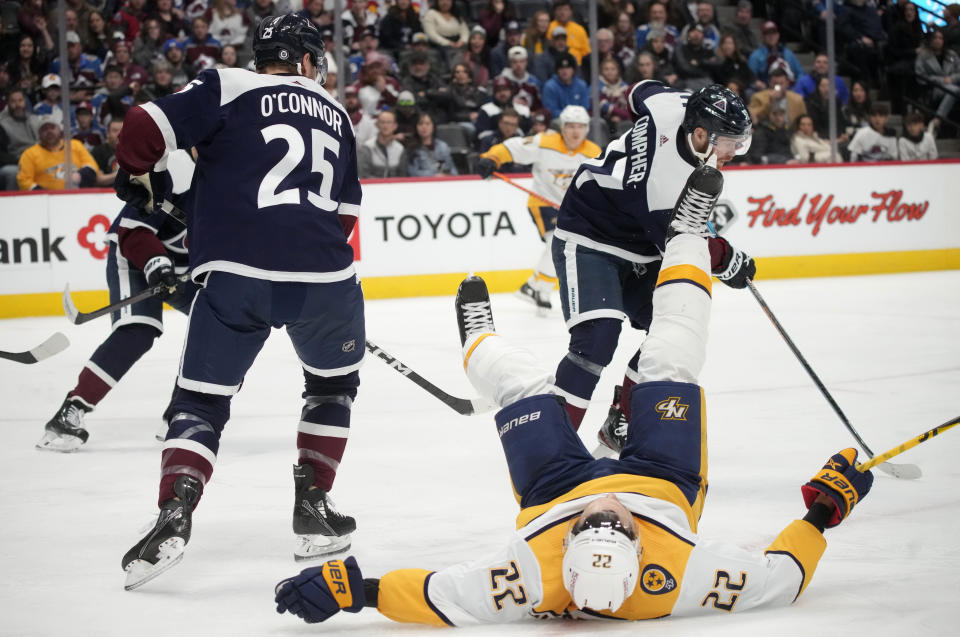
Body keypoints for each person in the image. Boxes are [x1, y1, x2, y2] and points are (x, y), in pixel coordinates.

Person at [272, 198, 874, 627]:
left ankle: (477, 341)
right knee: (670, 357)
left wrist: (358, 591)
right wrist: (823, 512)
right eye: (616, 526)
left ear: (573, 545)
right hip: (662, 484)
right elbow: (783, 578)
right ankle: (690, 234)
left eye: (593, 525)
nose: (604, 510)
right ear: (641, 558)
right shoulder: (683, 578)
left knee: (517, 383)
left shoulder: (536, 575)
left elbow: (439, 596)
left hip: (553, 493)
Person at [113, 13, 365, 589]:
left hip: (235, 276)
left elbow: (140, 126)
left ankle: (175, 512)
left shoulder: (227, 84)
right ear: (307, 60)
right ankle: (314, 509)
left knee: (200, 405)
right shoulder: (340, 114)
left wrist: (137, 173)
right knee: (331, 388)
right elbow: (345, 215)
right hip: (327, 280)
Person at [549, 83, 756, 442]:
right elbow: (683, 247)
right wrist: (725, 259)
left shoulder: (670, 104)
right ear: (701, 133)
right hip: (591, 235)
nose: (732, 153)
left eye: (738, 143)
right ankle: (551, 443)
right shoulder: (661, 183)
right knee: (597, 339)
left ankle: (623, 417)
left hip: (642, 240)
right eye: (726, 144)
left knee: (671, 329)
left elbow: (638, 91)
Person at [37, 151, 199, 452]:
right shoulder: (175, 168)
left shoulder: (239, 181)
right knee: (138, 332)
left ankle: (183, 413)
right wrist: (158, 265)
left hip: (188, 268)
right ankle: (72, 410)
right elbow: (134, 231)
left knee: (218, 328)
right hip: (138, 257)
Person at [477, 105, 600, 313]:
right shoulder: (545, 142)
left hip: (571, 210)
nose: (575, 131)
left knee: (568, 248)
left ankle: (535, 287)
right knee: (557, 242)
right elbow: (514, 147)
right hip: (543, 203)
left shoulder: (594, 153)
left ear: (587, 129)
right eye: (571, 126)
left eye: (580, 126)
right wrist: (492, 158)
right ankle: (537, 287)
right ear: (562, 127)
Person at [17, 115, 100, 190]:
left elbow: (92, 166)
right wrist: (43, 194)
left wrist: (80, 175)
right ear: (39, 133)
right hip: (44, 202)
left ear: (59, 130)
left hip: (77, 195)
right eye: (44, 129)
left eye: (52, 127)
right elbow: (24, 181)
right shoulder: (29, 154)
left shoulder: (75, 145)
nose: (49, 131)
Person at [403, 112, 458, 176]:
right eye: (420, 124)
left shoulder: (442, 146)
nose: (424, 127)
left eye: (427, 124)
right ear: (416, 127)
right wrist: (434, 176)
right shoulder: (411, 149)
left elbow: (451, 169)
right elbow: (412, 173)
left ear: (433, 126)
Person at [358, 109, 407, 177]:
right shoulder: (367, 147)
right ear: (377, 124)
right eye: (382, 122)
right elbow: (363, 174)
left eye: (389, 122)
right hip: (372, 187)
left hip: (395, 186)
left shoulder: (400, 149)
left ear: (395, 126)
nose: (385, 125)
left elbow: (403, 176)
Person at [541, 52, 590, 118]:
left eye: (568, 68)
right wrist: (569, 116)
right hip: (559, 120)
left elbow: (585, 107)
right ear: (557, 71)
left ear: (573, 70)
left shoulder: (581, 85)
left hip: (579, 119)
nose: (565, 71)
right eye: (561, 68)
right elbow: (551, 111)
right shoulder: (550, 86)